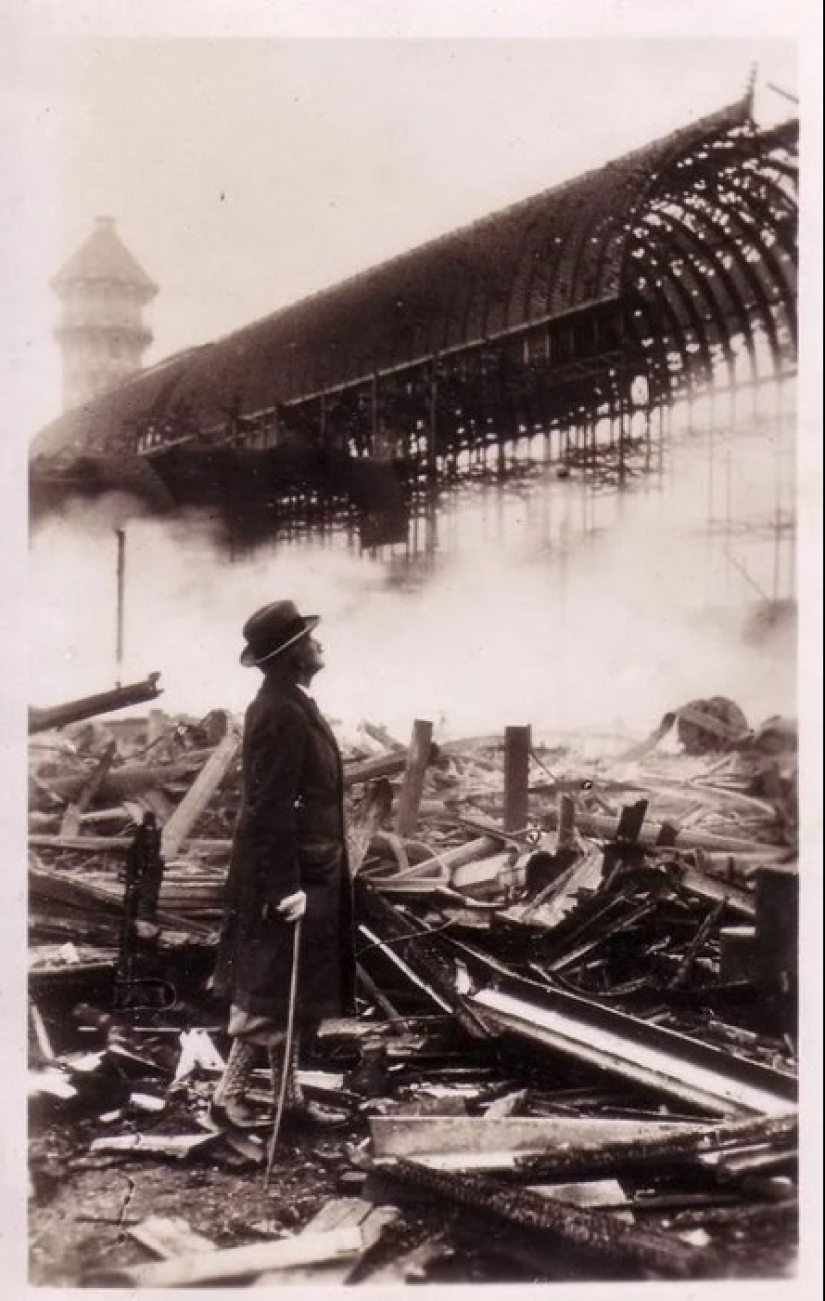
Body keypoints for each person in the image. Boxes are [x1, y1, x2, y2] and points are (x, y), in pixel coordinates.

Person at [211, 600, 355, 1129]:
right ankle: (228, 1096)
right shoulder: (276, 710)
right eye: (310, 639)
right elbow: (267, 807)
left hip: (310, 869)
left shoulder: (291, 703)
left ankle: (288, 1100)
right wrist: (283, 888)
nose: (319, 644)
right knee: (270, 989)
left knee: (293, 991)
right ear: (294, 654)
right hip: (289, 875)